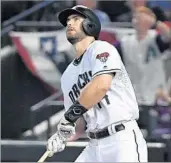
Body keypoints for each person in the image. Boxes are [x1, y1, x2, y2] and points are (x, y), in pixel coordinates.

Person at [47, 5, 147, 162]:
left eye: (76, 19)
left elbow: (100, 86)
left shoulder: (101, 49)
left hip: (121, 139)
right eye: (67, 21)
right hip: (94, 144)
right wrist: (61, 135)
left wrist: (69, 118)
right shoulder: (67, 75)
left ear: (90, 24)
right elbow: (78, 118)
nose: (69, 23)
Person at [120, 6, 171, 105]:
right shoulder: (125, 41)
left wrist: (156, 23)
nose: (138, 20)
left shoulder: (156, 38)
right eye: (136, 17)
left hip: (155, 96)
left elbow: (168, 37)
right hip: (132, 96)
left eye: (141, 18)